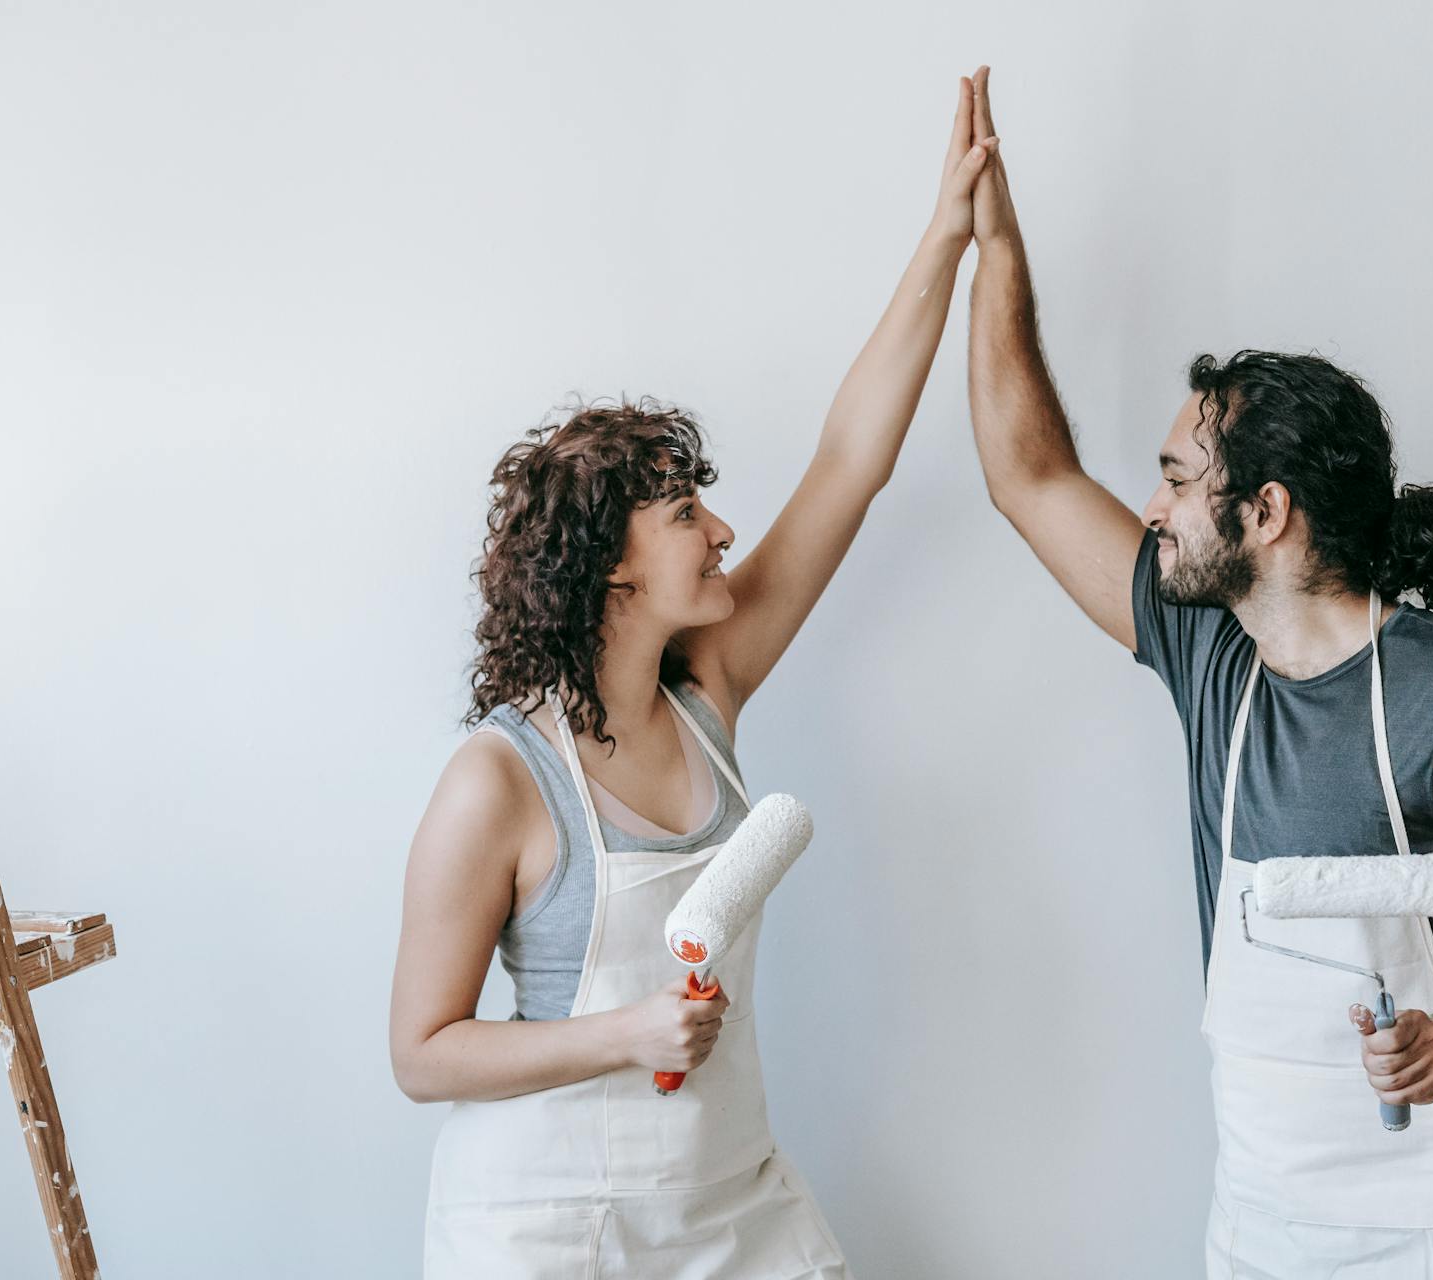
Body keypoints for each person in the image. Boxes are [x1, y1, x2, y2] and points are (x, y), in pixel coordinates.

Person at [387, 78, 998, 1279]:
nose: (723, 530)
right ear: (610, 562)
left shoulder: (706, 689)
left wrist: (946, 235)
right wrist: (625, 1031)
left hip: (724, 1205)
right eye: (685, 513)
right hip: (548, 1231)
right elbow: (422, 1050)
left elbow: (849, 462)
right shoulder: (499, 782)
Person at [961, 65, 1433, 1279]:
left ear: (1264, 511)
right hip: (1259, 1222)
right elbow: (1028, 475)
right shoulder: (1211, 652)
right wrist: (993, 245)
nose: (1150, 507)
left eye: (1173, 478)